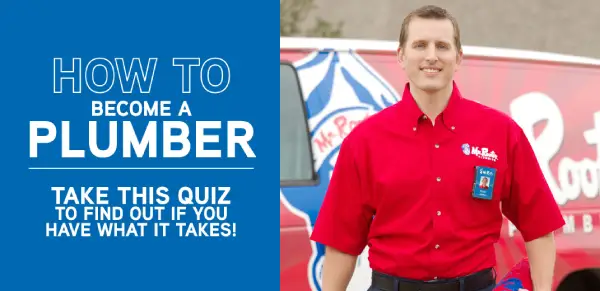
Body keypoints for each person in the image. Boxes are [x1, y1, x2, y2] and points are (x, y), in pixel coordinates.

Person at [309, 4, 565, 291]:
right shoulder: (364, 141)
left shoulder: (502, 134)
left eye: (442, 46)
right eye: (420, 45)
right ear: (401, 56)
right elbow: (341, 243)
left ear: (458, 58)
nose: (431, 56)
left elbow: (540, 229)